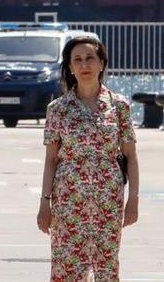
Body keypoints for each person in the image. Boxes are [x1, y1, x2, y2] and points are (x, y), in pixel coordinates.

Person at [37, 36, 139, 281]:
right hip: (67, 202)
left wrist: (133, 199)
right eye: (78, 60)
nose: (84, 65)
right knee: (66, 268)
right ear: (70, 68)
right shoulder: (58, 109)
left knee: (106, 267)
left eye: (90, 58)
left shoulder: (119, 106)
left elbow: (131, 156)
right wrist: (44, 203)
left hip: (108, 201)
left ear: (102, 63)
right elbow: (51, 160)